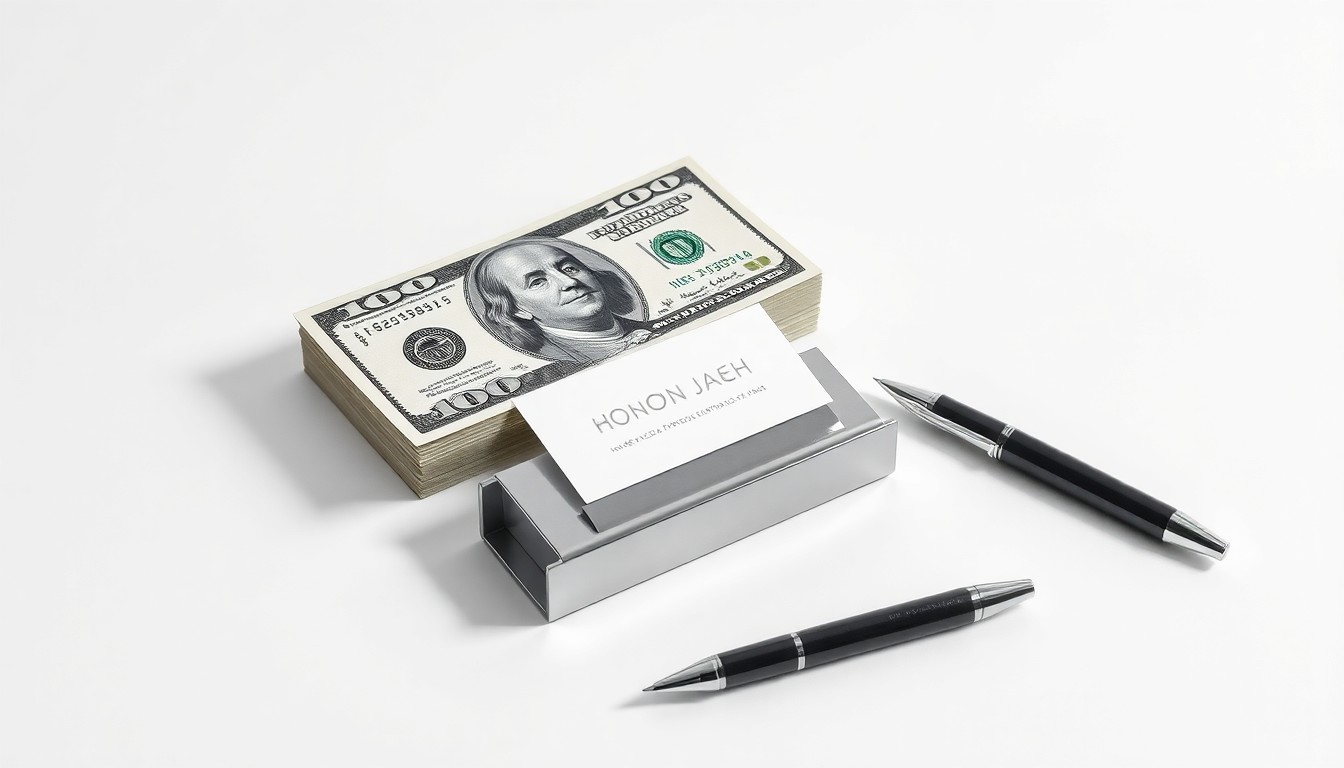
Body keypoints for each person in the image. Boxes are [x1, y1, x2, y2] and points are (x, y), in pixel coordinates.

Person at [469, 237, 652, 363]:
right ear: (517, 310)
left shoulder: (647, 327)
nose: (570, 282)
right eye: (538, 282)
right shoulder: (562, 360)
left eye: (569, 268)